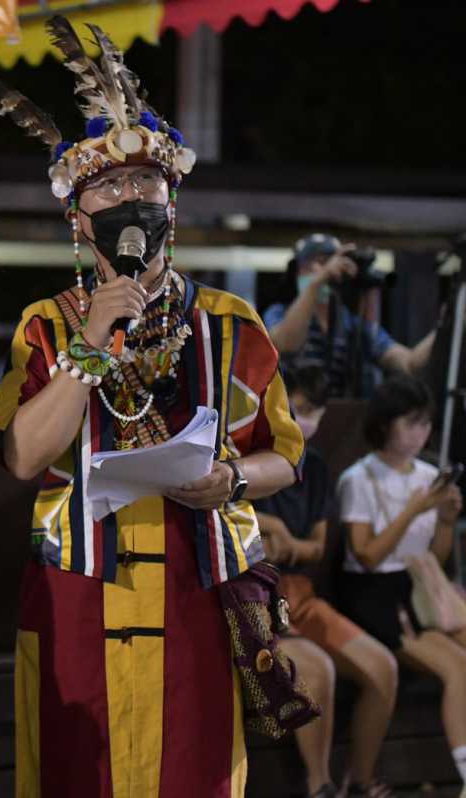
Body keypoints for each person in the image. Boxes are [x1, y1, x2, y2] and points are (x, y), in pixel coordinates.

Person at [0, 19, 304, 798]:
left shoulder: (232, 323)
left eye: (144, 183)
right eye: (108, 186)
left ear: (173, 198)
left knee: (193, 774)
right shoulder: (46, 324)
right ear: (77, 212)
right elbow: (25, 457)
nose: (129, 198)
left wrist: (232, 477)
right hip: (80, 596)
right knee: (75, 775)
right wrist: (93, 339)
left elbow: (285, 456)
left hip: (200, 594)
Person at [253, 366, 399, 798]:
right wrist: (270, 527)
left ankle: (361, 780)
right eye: (300, 408)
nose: (307, 420)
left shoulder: (313, 466)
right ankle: (321, 786)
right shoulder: (245, 451)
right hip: (256, 596)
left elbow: (315, 547)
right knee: (319, 671)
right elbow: (225, 515)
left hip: (301, 593)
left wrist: (285, 542)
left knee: (382, 668)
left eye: (315, 410)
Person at [337, 375, 466, 798]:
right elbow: (367, 555)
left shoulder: (429, 474)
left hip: (416, 589)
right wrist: (414, 509)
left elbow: (437, 555)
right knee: (456, 669)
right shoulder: (359, 478)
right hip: (373, 595)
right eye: (410, 423)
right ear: (385, 424)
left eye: (425, 424)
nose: (419, 433)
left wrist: (445, 520)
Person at [263, 234, 435, 398]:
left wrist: (444, 323)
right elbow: (285, 345)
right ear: (297, 273)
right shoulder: (278, 313)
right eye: (312, 264)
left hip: (342, 418)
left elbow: (409, 364)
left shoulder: (352, 324)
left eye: (328, 262)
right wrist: (317, 282)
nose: (321, 269)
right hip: (291, 419)